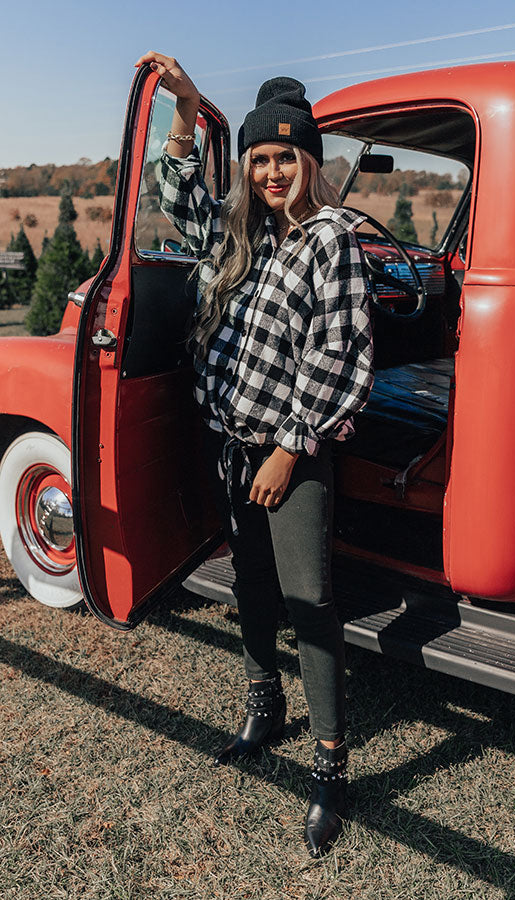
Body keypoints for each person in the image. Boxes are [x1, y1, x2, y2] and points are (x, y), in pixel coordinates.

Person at [134, 51, 374, 857]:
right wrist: (186, 109)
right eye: (260, 158)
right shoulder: (241, 235)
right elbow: (174, 194)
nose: (272, 171)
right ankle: (263, 701)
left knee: (309, 599)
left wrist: (288, 449)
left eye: (286, 156)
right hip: (232, 443)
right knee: (251, 583)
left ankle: (332, 766)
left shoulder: (330, 240)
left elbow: (339, 360)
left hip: (291, 454)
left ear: (310, 160)